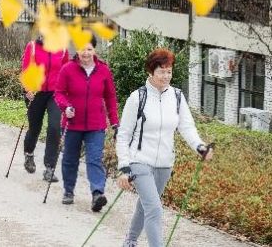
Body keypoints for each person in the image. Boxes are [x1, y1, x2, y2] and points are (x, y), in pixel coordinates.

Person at [115, 48, 214, 247]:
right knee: (155, 209)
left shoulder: (177, 97)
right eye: (162, 71)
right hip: (140, 160)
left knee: (146, 206)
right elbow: (123, 135)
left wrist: (200, 147)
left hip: (165, 164)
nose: (166, 76)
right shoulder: (137, 98)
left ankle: (130, 240)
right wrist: (124, 167)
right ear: (151, 72)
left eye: (169, 71)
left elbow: (186, 127)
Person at [54, 37, 119, 211]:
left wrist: (114, 122)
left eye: (89, 49)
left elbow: (110, 97)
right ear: (78, 50)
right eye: (83, 49)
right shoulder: (68, 69)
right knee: (69, 159)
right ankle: (68, 191)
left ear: (94, 50)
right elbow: (59, 93)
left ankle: (97, 193)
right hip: (72, 123)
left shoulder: (103, 70)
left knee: (95, 159)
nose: (86, 53)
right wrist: (65, 107)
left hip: (95, 125)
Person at [20, 37, 69, 182]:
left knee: (54, 128)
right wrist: (27, 89)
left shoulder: (62, 48)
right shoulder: (33, 46)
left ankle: (49, 168)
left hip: (55, 93)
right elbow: (26, 68)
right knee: (34, 128)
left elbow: (66, 71)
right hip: (36, 93)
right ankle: (29, 154)